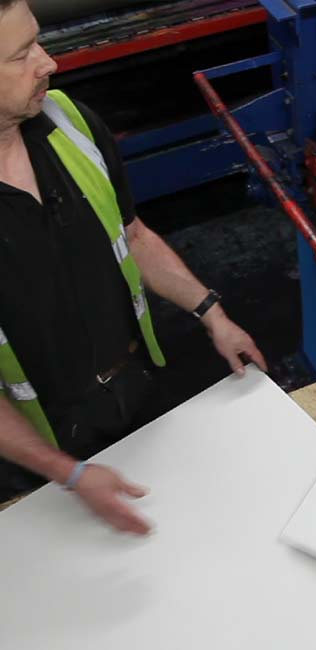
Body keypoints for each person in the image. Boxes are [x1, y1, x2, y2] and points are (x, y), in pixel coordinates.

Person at [0, 0, 267, 535]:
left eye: (40, 41)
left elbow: (132, 234)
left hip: (137, 390)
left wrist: (211, 312)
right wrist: (69, 474)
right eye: (22, 53)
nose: (49, 63)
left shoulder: (67, 120)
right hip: (37, 452)